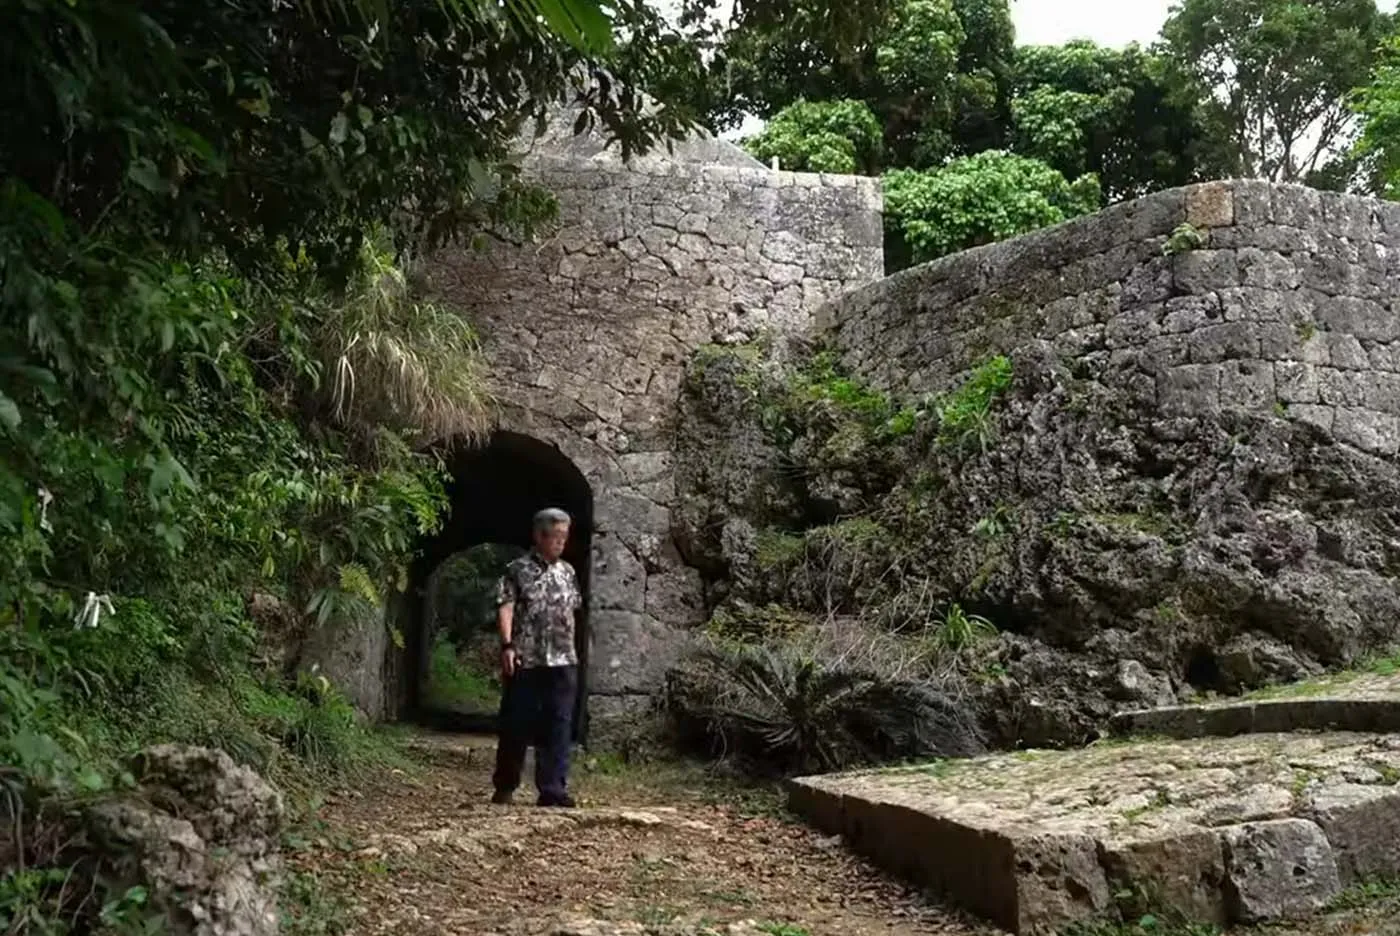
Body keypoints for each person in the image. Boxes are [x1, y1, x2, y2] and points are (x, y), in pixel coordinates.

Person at [490, 507, 583, 807]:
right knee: (517, 725)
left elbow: (573, 611)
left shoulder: (567, 572)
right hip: (526, 659)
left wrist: (575, 649)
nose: (560, 543)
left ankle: (552, 789)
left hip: (562, 659)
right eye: (555, 536)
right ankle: (506, 784)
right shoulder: (516, 570)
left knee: (559, 724)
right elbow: (505, 606)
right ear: (539, 536)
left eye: (564, 537)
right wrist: (507, 645)